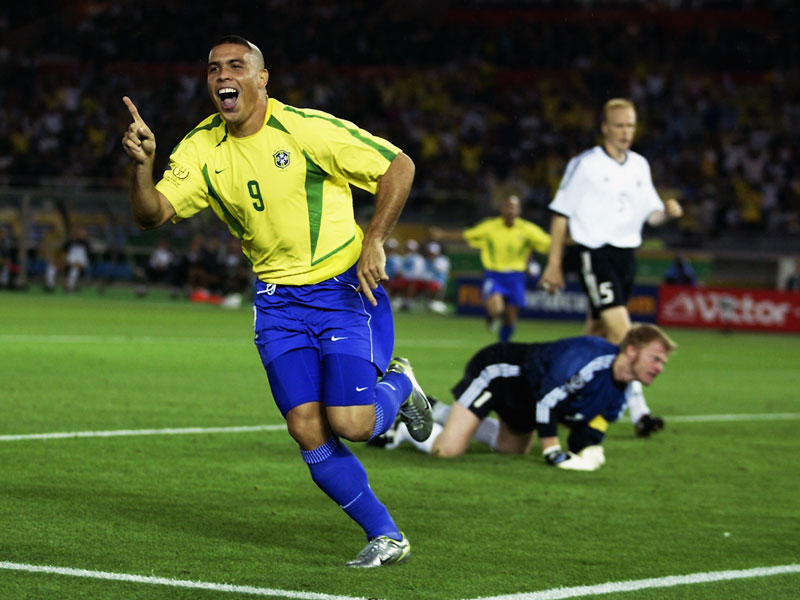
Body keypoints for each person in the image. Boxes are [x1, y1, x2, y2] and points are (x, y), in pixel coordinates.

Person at [121, 35, 433, 568]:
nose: (224, 75)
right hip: (276, 304)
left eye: (237, 66)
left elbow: (397, 166)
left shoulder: (307, 129)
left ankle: (400, 383)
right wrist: (143, 165)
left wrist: (375, 238)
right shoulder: (200, 147)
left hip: (341, 291)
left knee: (353, 425)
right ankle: (386, 535)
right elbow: (152, 214)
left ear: (262, 78)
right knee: (306, 429)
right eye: (215, 67)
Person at [539, 98, 683, 438]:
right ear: (604, 127)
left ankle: (567, 396)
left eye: (630, 126)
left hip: (626, 256)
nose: (625, 132)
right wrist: (555, 263)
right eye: (619, 125)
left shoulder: (639, 166)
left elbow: (652, 215)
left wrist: (668, 212)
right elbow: (561, 213)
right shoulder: (585, 164)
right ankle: (639, 412)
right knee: (624, 333)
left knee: (597, 336)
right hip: (595, 253)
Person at [374, 324, 676, 471]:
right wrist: (553, 451)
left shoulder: (620, 392)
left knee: (513, 449)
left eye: (663, 363)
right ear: (632, 351)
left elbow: (591, 429)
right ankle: (403, 429)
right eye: (656, 359)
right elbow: (548, 401)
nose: (659, 368)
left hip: (526, 397)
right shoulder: (591, 357)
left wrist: (590, 450)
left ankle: (439, 410)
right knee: (447, 451)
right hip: (498, 372)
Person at [433, 194, 551, 342]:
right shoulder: (490, 226)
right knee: (497, 310)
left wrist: (569, 240)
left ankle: (503, 344)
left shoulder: (527, 229)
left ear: (519, 211)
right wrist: (444, 234)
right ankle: (491, 317)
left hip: (516, 277)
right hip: (494, 275)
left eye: (513, 207)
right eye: (507, 207)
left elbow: (548, 243)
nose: (510, 211)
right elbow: (467, 234)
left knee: (510, 317)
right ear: (502, 209)